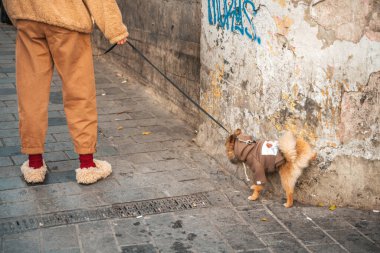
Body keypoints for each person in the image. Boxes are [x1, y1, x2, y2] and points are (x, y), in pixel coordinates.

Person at [3, 0, 128, 184]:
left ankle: (34, 165)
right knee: (79, 91)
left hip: (28, 18)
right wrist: (115, 29)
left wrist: (17, 13)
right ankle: (87, 166)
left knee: (31, 94)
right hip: (67, 17)